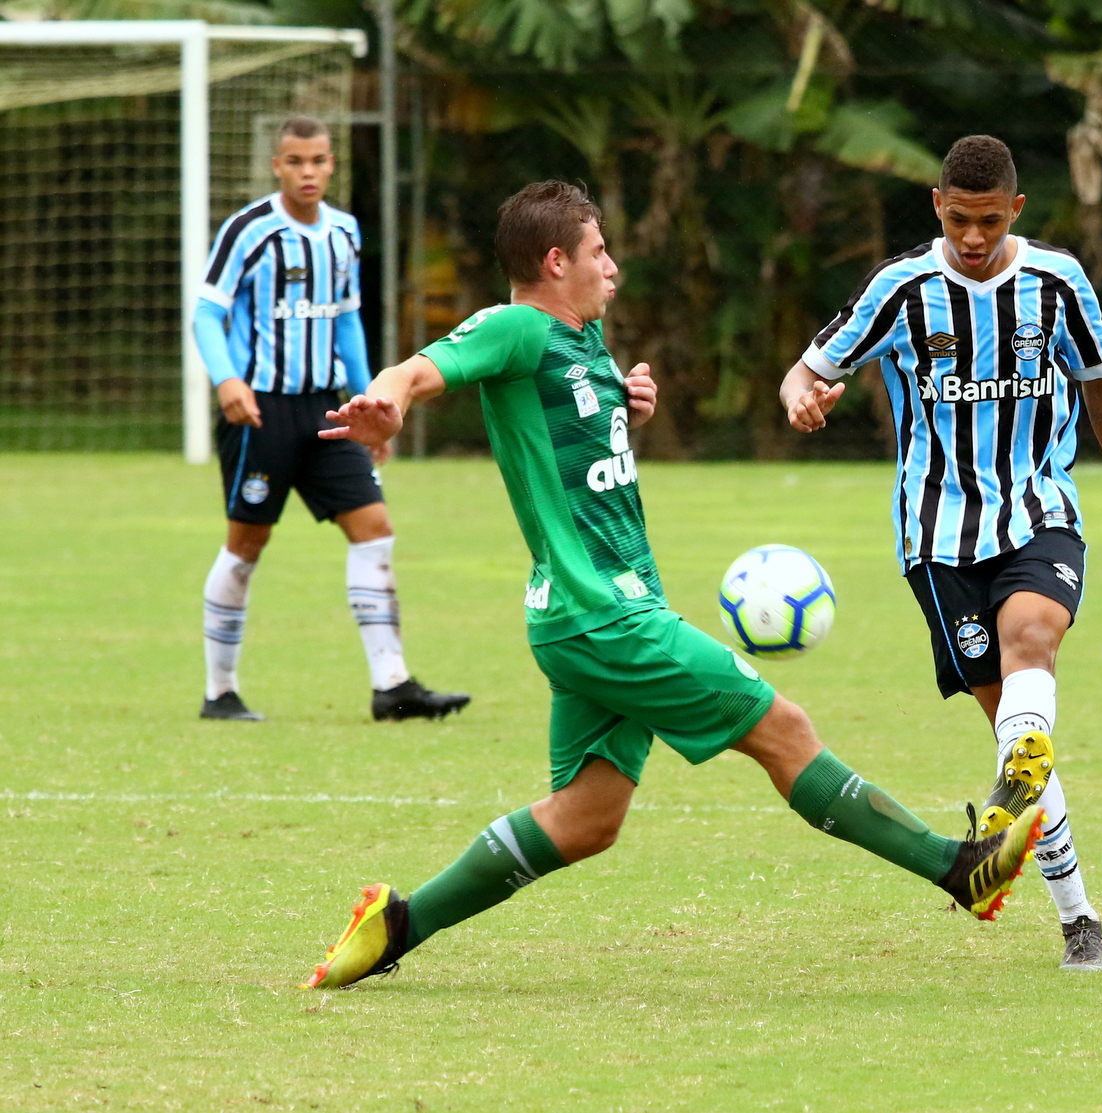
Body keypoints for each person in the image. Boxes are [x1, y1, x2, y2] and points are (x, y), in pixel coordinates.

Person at [299, 180, 1045, 990]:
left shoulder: (580, 343)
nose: (613, 267)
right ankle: (959, 869)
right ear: (556, 261)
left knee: (587, 819)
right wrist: (388, 399)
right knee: (784, 729)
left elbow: (570, 436)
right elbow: (427, 365)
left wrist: (625, 408)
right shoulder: (516, 326)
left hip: (593, 618)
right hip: (604, 617)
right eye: (599, 252)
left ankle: (399, 922)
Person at [779, 135, 1102, 972]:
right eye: (959, 219)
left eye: (989, 221)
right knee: (1011, 721)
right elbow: (807, 370)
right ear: (937, 206)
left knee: (1033, 639)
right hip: (936, 540)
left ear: (1017, 211)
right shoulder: (899, 288)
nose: (973, 237)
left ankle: (1018, 797)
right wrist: (804, 399)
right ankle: (1079, 916)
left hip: (1041, 511)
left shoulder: (1057, 282)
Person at [192, 114, 469, 723]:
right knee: (246, 545)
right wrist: (227, 378)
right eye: (296, 161)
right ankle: (220, 692)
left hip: (326, 411)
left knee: (374, 530)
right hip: (261, 412)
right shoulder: (249, 230)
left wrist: (373, 403)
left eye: (318, 161)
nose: (308, 172)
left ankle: (392, 685)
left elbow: (346, 322)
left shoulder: (344, 232)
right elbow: (207, 315)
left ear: (332, 163)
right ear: (277, 165)